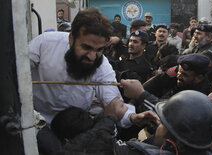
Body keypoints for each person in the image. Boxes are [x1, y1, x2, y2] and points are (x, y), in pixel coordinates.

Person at [28, 7, 146, 154]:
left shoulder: (102, 66)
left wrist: (133, 117)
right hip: (32, 123)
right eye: (86, 47)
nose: (92, 57)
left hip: (73, 132)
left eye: (99, 50)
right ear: (71, 39)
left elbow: (113, 103)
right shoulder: (44, 44)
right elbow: (17, 73)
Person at [143, 53, 212, 101]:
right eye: (179, 71)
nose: (178, 75)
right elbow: (155, 82)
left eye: (184, 75)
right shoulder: (178, 70)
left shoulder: (200, 96)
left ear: (198, 78)